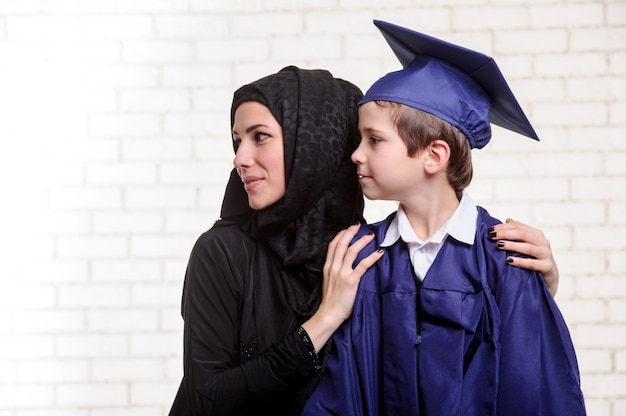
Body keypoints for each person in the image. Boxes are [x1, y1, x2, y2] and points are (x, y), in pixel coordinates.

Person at [169, 65, 562, 416]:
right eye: (238, 140)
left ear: (315, 148)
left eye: (260, 137)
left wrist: (533, 291)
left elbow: (529, 380)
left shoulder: (356, 251)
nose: (240, 157)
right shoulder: (355, 258)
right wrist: (326, 318)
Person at [303, 21, 585, 416]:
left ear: (434, 156)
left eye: (374, 139)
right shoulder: (361, 258)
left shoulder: (505, 257)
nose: (356, 154)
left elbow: (532, 390)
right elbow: (342, 390)